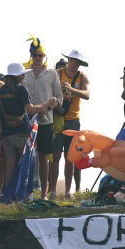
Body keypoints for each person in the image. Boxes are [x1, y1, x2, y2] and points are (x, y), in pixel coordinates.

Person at [0, 63, 56, 197]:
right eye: (22, 74)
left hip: (6, 134)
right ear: (19, 76)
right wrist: (46, 104)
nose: (24, 75)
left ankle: (10, 194)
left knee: (10, 164)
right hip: (22, 132)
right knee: (26, 163)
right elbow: (31, 110)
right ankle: (26, 195)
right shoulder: (21, 90)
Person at [20, 37, 63, 198]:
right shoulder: (25, 75)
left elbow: (59, 98)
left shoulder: (51, 73)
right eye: (35, 55)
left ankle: (44, 192)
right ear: (31, 56)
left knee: (44, 157)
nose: (37, 58)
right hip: (28, 121)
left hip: (46, 121)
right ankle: (28, 191)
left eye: (40, 55)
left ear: (44, 56)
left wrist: (50, 105)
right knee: (28, 156)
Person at [54, 49, 90, 197]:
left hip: (73, 121)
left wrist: (72, 90)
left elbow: (87, 94)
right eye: (73, 61)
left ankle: (69, 191)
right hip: (57, 119)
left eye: (78, 62)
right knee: (54, 157)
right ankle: (52, 190)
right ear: (68, 60)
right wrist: (63, 94)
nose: (74, 64)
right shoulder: (57, 73)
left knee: (71, 158)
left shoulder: (82, 76)